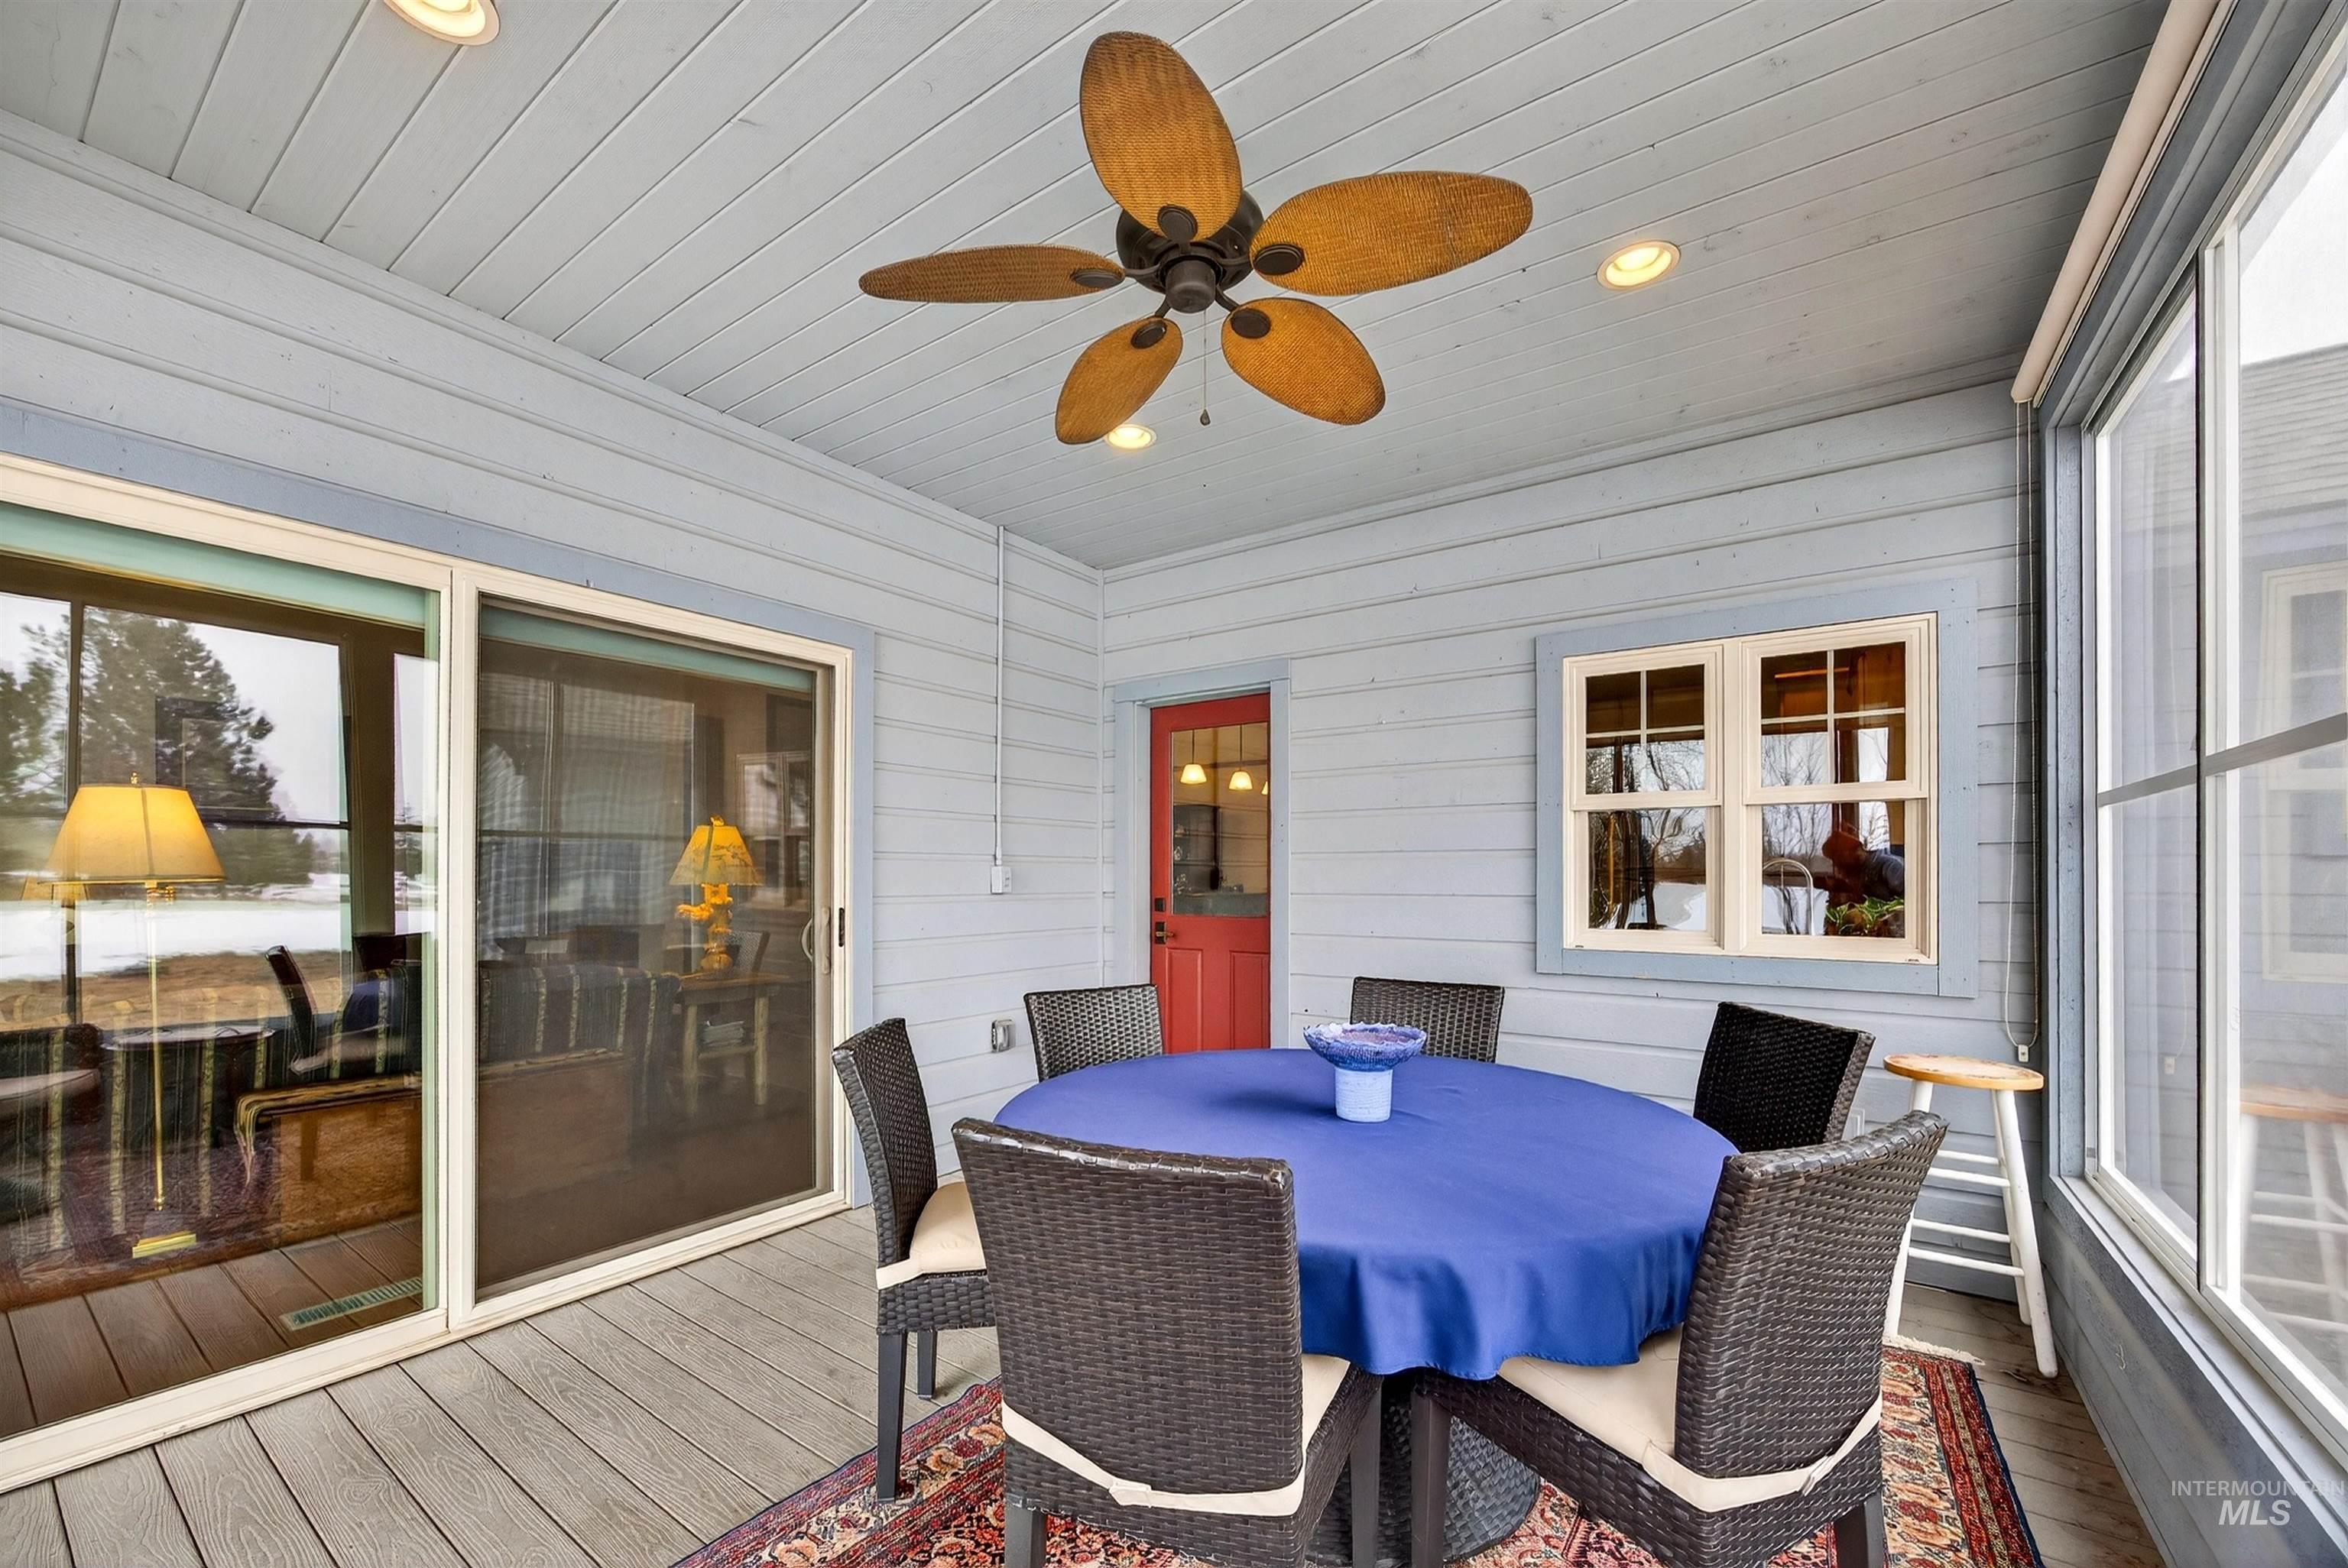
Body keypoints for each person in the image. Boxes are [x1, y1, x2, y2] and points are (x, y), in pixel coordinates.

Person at [1821, 824, 1904, 906]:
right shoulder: (1859, 874)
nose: (1839, 864)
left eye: (1841, 858)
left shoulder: (1890, 866)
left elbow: (1906, 905)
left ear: (1856, 850)